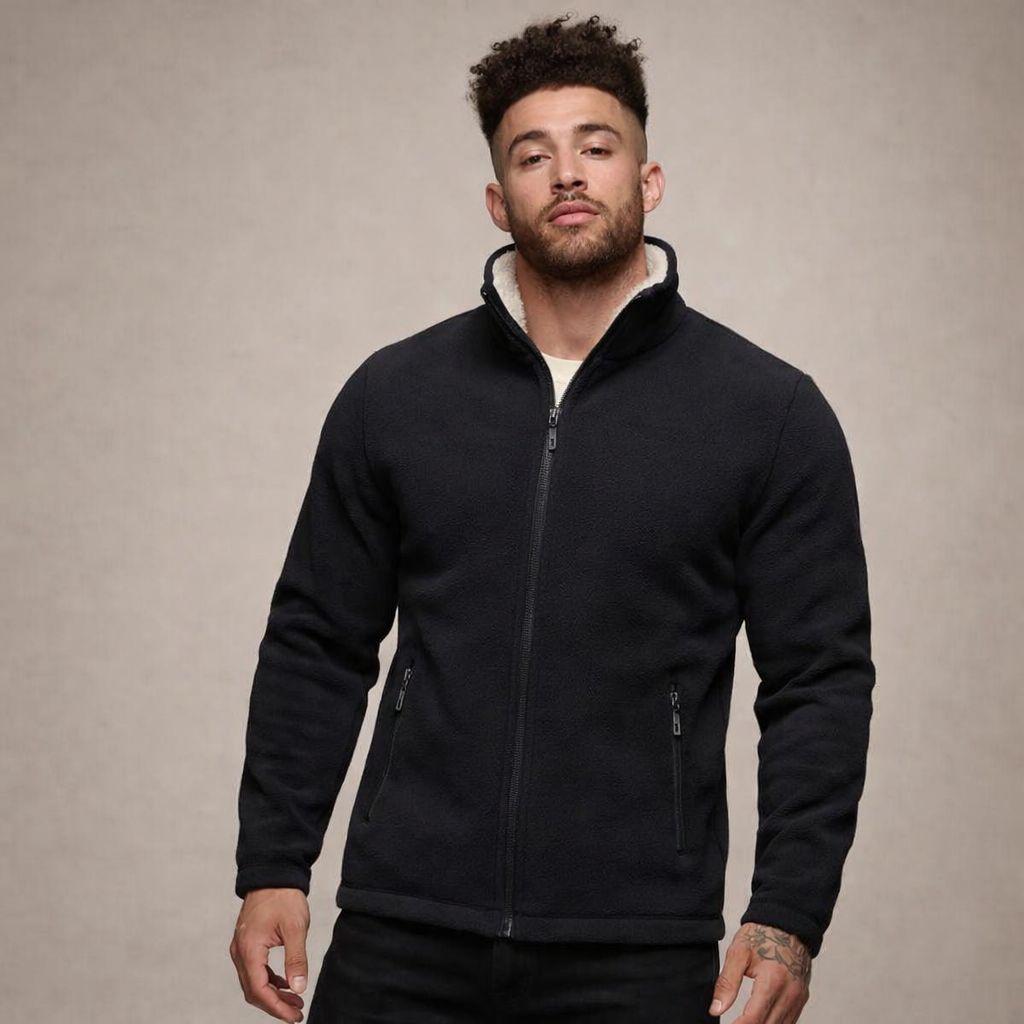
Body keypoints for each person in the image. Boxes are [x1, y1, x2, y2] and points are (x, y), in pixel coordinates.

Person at [229, 13, 875, 1024]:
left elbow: (818, 680)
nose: (566, 174)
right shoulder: (395, 396)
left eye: (595, 147)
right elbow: (316, 638)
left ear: (648, 181)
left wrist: (788, 912)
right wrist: (273, 861)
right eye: (532, 156)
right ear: (500, 201)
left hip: (638, 950)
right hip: (403, 931)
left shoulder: (768, 413)